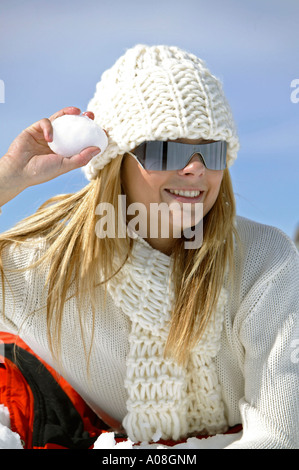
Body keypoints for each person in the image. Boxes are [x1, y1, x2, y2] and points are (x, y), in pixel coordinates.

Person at [0, 44, 298, 449]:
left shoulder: (266, 260)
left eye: (210, 151)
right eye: (163, 150)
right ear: (113, 164)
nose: (194, 167)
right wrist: (8, 178)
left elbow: (281, 436)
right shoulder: (46, 265)